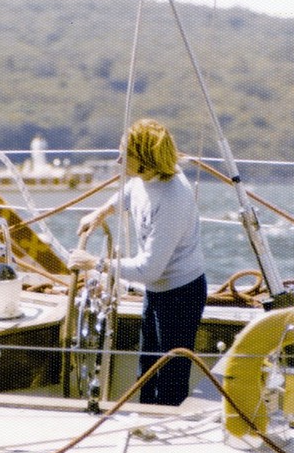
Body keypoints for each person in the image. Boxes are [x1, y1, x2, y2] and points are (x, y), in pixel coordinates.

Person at [69, 119, 206, 406]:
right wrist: (101, 213)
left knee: (169, 379)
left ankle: (166, 437)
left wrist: (95, 263)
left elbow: (147, 270)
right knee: (147, 371)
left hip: (180, 294)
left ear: (144, 160)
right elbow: (130, 193)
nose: (118, 160)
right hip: (157, 291)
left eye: (124, 155)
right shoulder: (145, 179)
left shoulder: (172, 198)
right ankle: (145, 422)